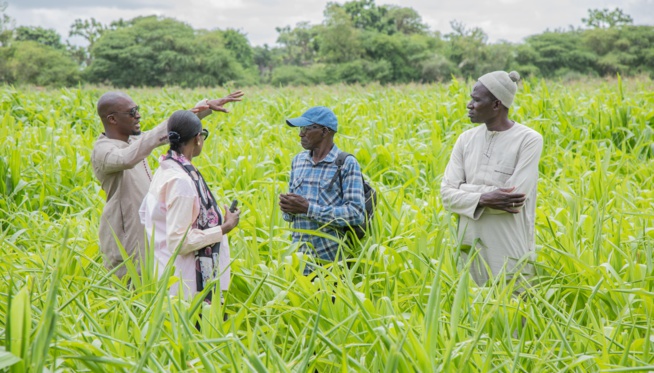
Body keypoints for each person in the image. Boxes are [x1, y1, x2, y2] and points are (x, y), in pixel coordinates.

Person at [92, 90, 243, 278]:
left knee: (154, 284)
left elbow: (166, 135)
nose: (138, 115)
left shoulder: (134, 141)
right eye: (132, 112)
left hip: (150, 229)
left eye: (137, 110)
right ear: (112, 119)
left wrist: (199, 112)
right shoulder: (104, 151)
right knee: (132, 288)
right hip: (125, 233)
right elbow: (129, 156)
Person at [440, 71, 543, 286]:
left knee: (513, 313)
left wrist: (465, 190)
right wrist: (486, 197)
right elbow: (447, 197)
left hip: (509, 252)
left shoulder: (528, 140)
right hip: (469, 252)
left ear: (496, 105)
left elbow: (513, 200)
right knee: (472, 314)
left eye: (476, 100)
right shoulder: (465, 140)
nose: (469, 105)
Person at [139, 110, 240, 301]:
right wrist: (224, 228)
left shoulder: (164, 169)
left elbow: (145, 215)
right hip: (187, 284)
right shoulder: (181, 181)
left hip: (166, 270)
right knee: (198, 329)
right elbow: (180, 242)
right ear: (198, 139)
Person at [279, 106, 366, 274]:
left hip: (332, 262)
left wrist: (308, 209)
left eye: (305, 128)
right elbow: (290, 216)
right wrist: (287, 208)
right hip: (300, 260)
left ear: (324, 131)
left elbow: (356, 213)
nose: (300, 134)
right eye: (300, 129)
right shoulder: (298, 161)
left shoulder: (346, 163)